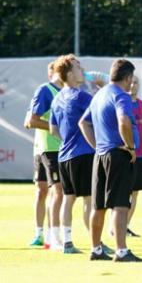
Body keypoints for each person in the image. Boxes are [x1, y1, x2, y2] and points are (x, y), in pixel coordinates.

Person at [79, 59, 142, 262]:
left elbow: (83, 123)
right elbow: (124, 121)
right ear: (127, 78)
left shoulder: (99, 94)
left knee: (98, 206)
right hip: (118, 156)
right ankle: (121, 251)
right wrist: (130, 147)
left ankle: (96, 249)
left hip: (100, 156)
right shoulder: (121, 96)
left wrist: (97, 146)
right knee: (120, 204)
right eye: (131, 79)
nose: (131, 83)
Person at [49, 55, 94, 254]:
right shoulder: (83, 96)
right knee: (89, 199)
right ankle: (97, 242)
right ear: (69, 74)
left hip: (64, 155)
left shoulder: (57, 98)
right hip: (84, 154)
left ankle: (67, 242)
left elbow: (52, 129)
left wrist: (68, 140)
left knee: (69, 198)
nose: (82, 70)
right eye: (77, 67)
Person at [25, 61, 63, 250]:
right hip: (45, 149)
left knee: (54, 191)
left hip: (52, 148)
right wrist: (56, 129)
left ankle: (50, 234)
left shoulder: (66, 93)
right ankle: (40, 233)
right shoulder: (45, 91)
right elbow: (30, 120)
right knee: (43, 191)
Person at [127, 76, 142, 237]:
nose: (133, 85)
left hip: (140, 155)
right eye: (131, 82)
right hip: (124, 153)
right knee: (122, 192)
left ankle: (125, 226)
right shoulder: (122, 103)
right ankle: (117, 226)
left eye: (136, 82)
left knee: (135, 193)